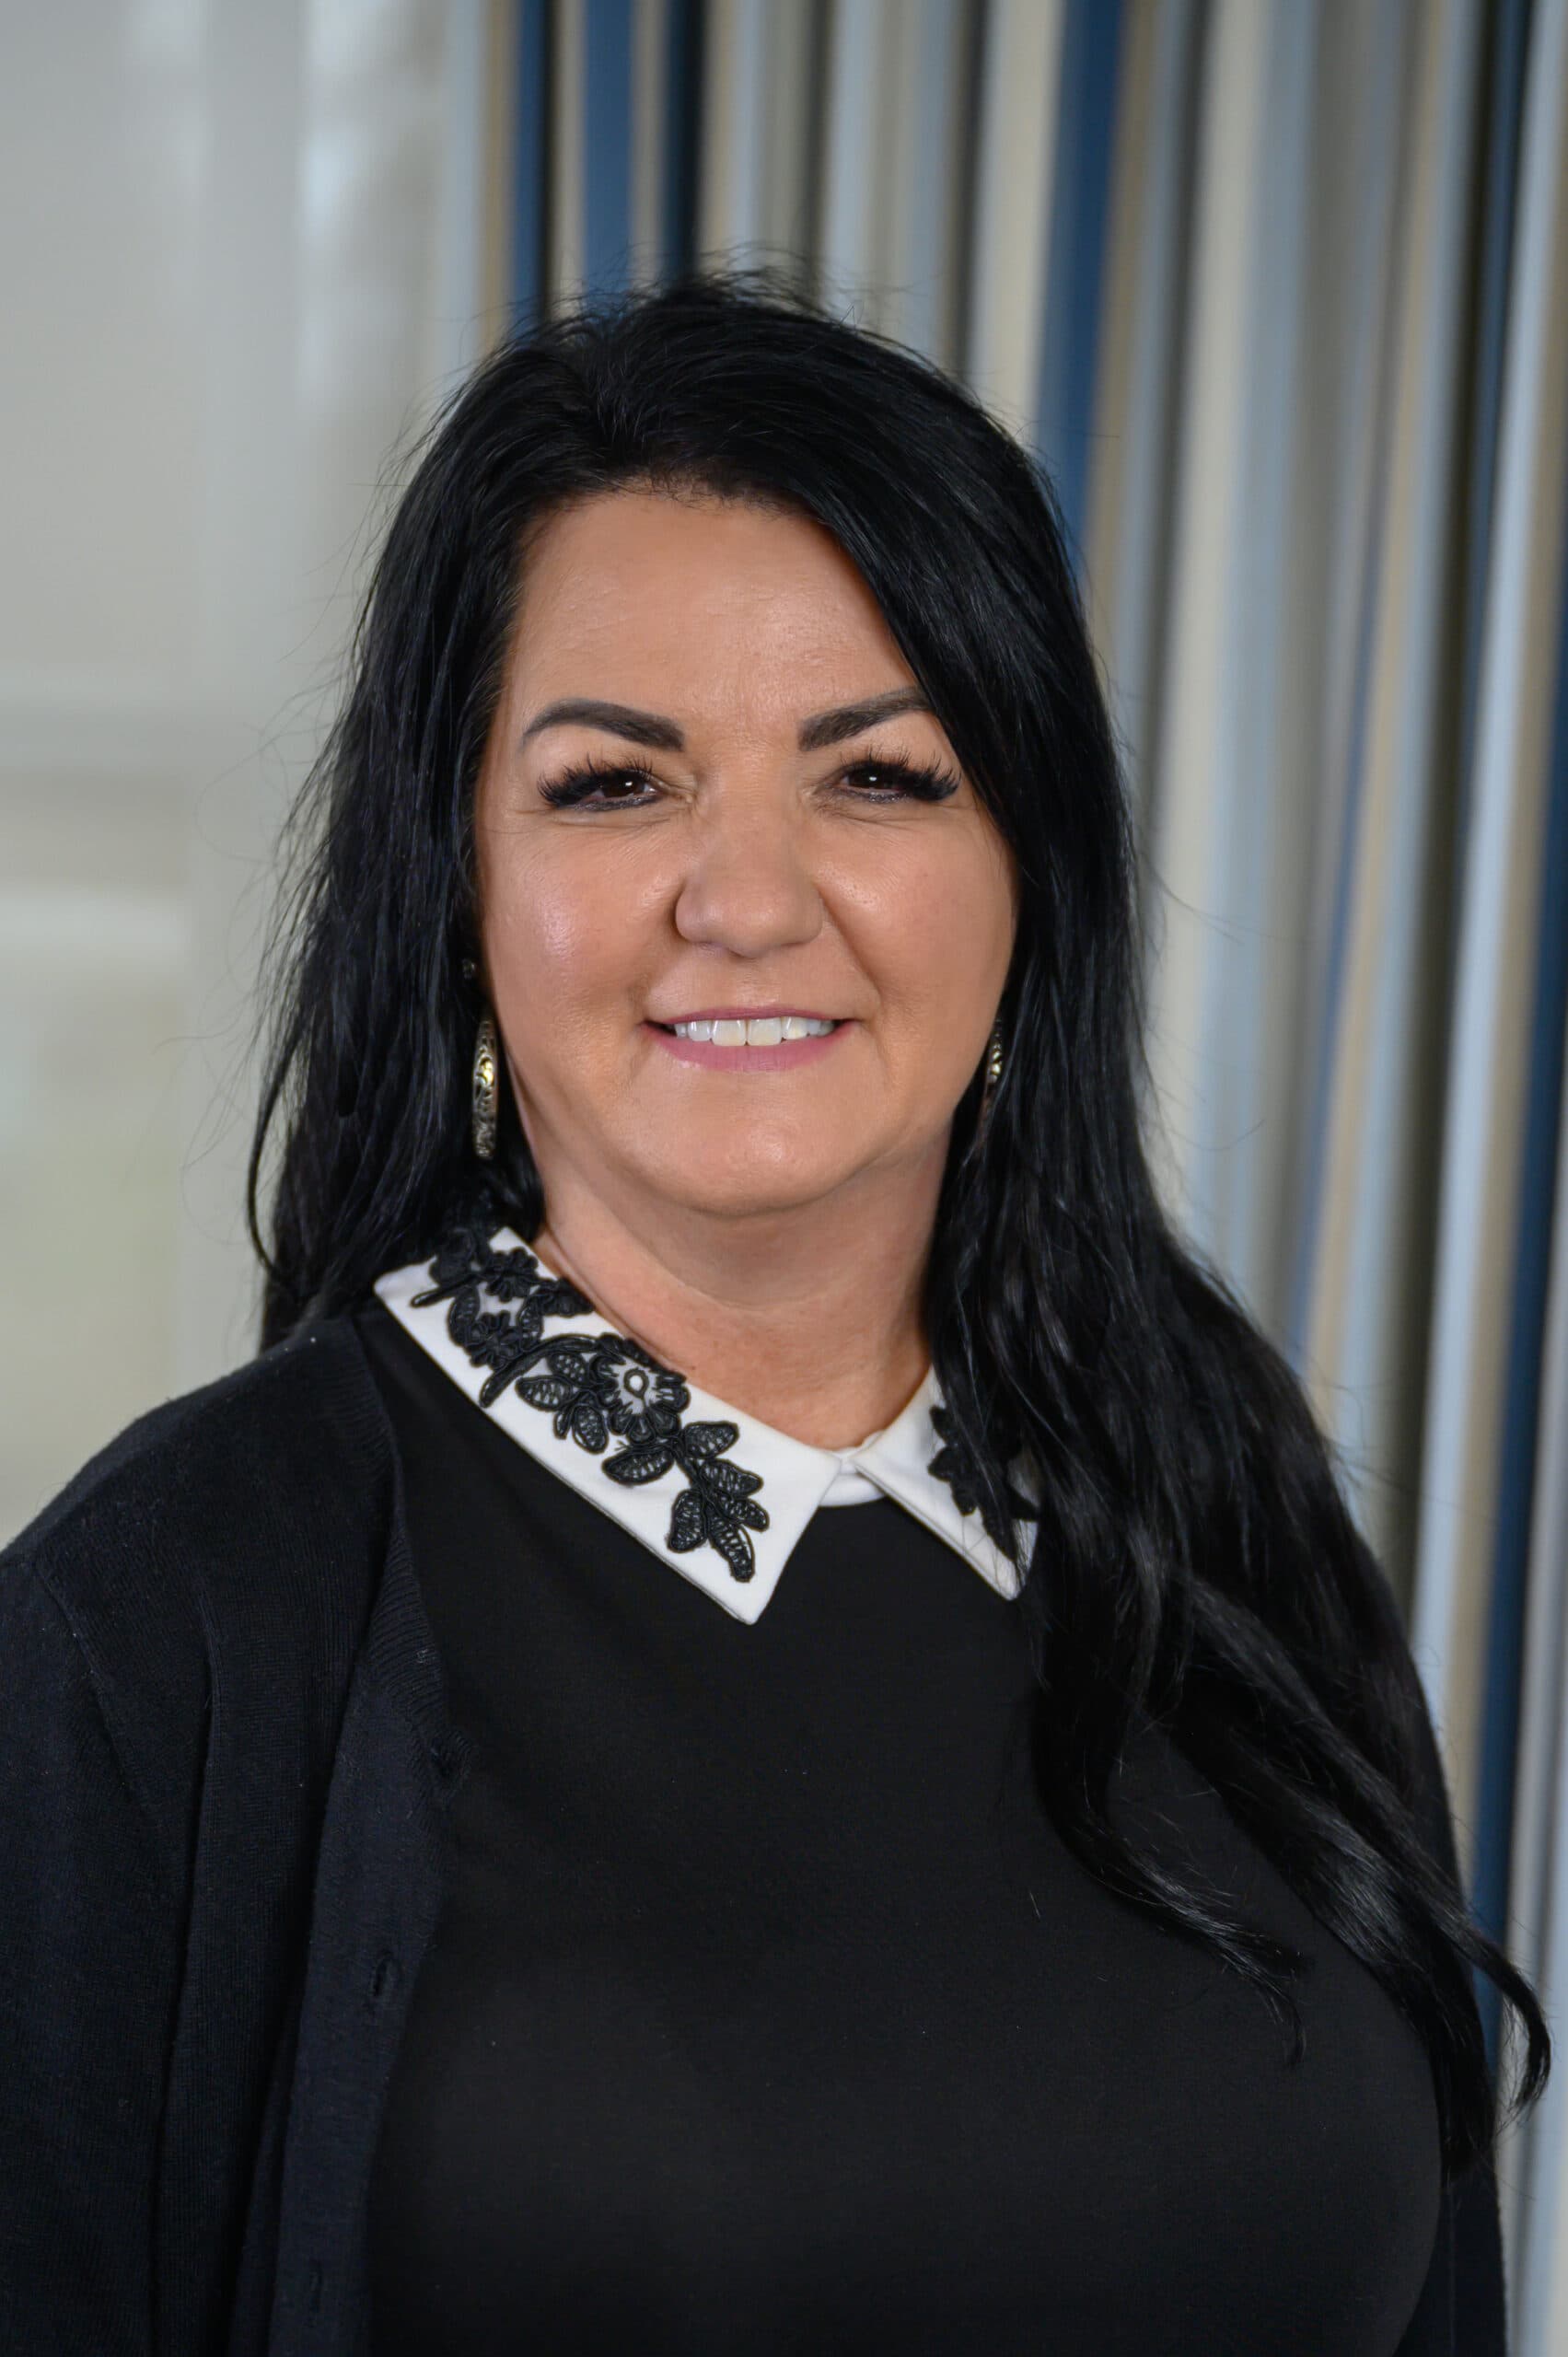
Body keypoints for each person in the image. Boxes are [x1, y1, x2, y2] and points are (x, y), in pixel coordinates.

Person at [0, 270, 1550, 2357]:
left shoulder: (1228, 1511)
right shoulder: (164, 1618)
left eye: (880, 777)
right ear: (455, 884)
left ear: (1031, 871)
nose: (745, 895)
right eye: (613, 784)